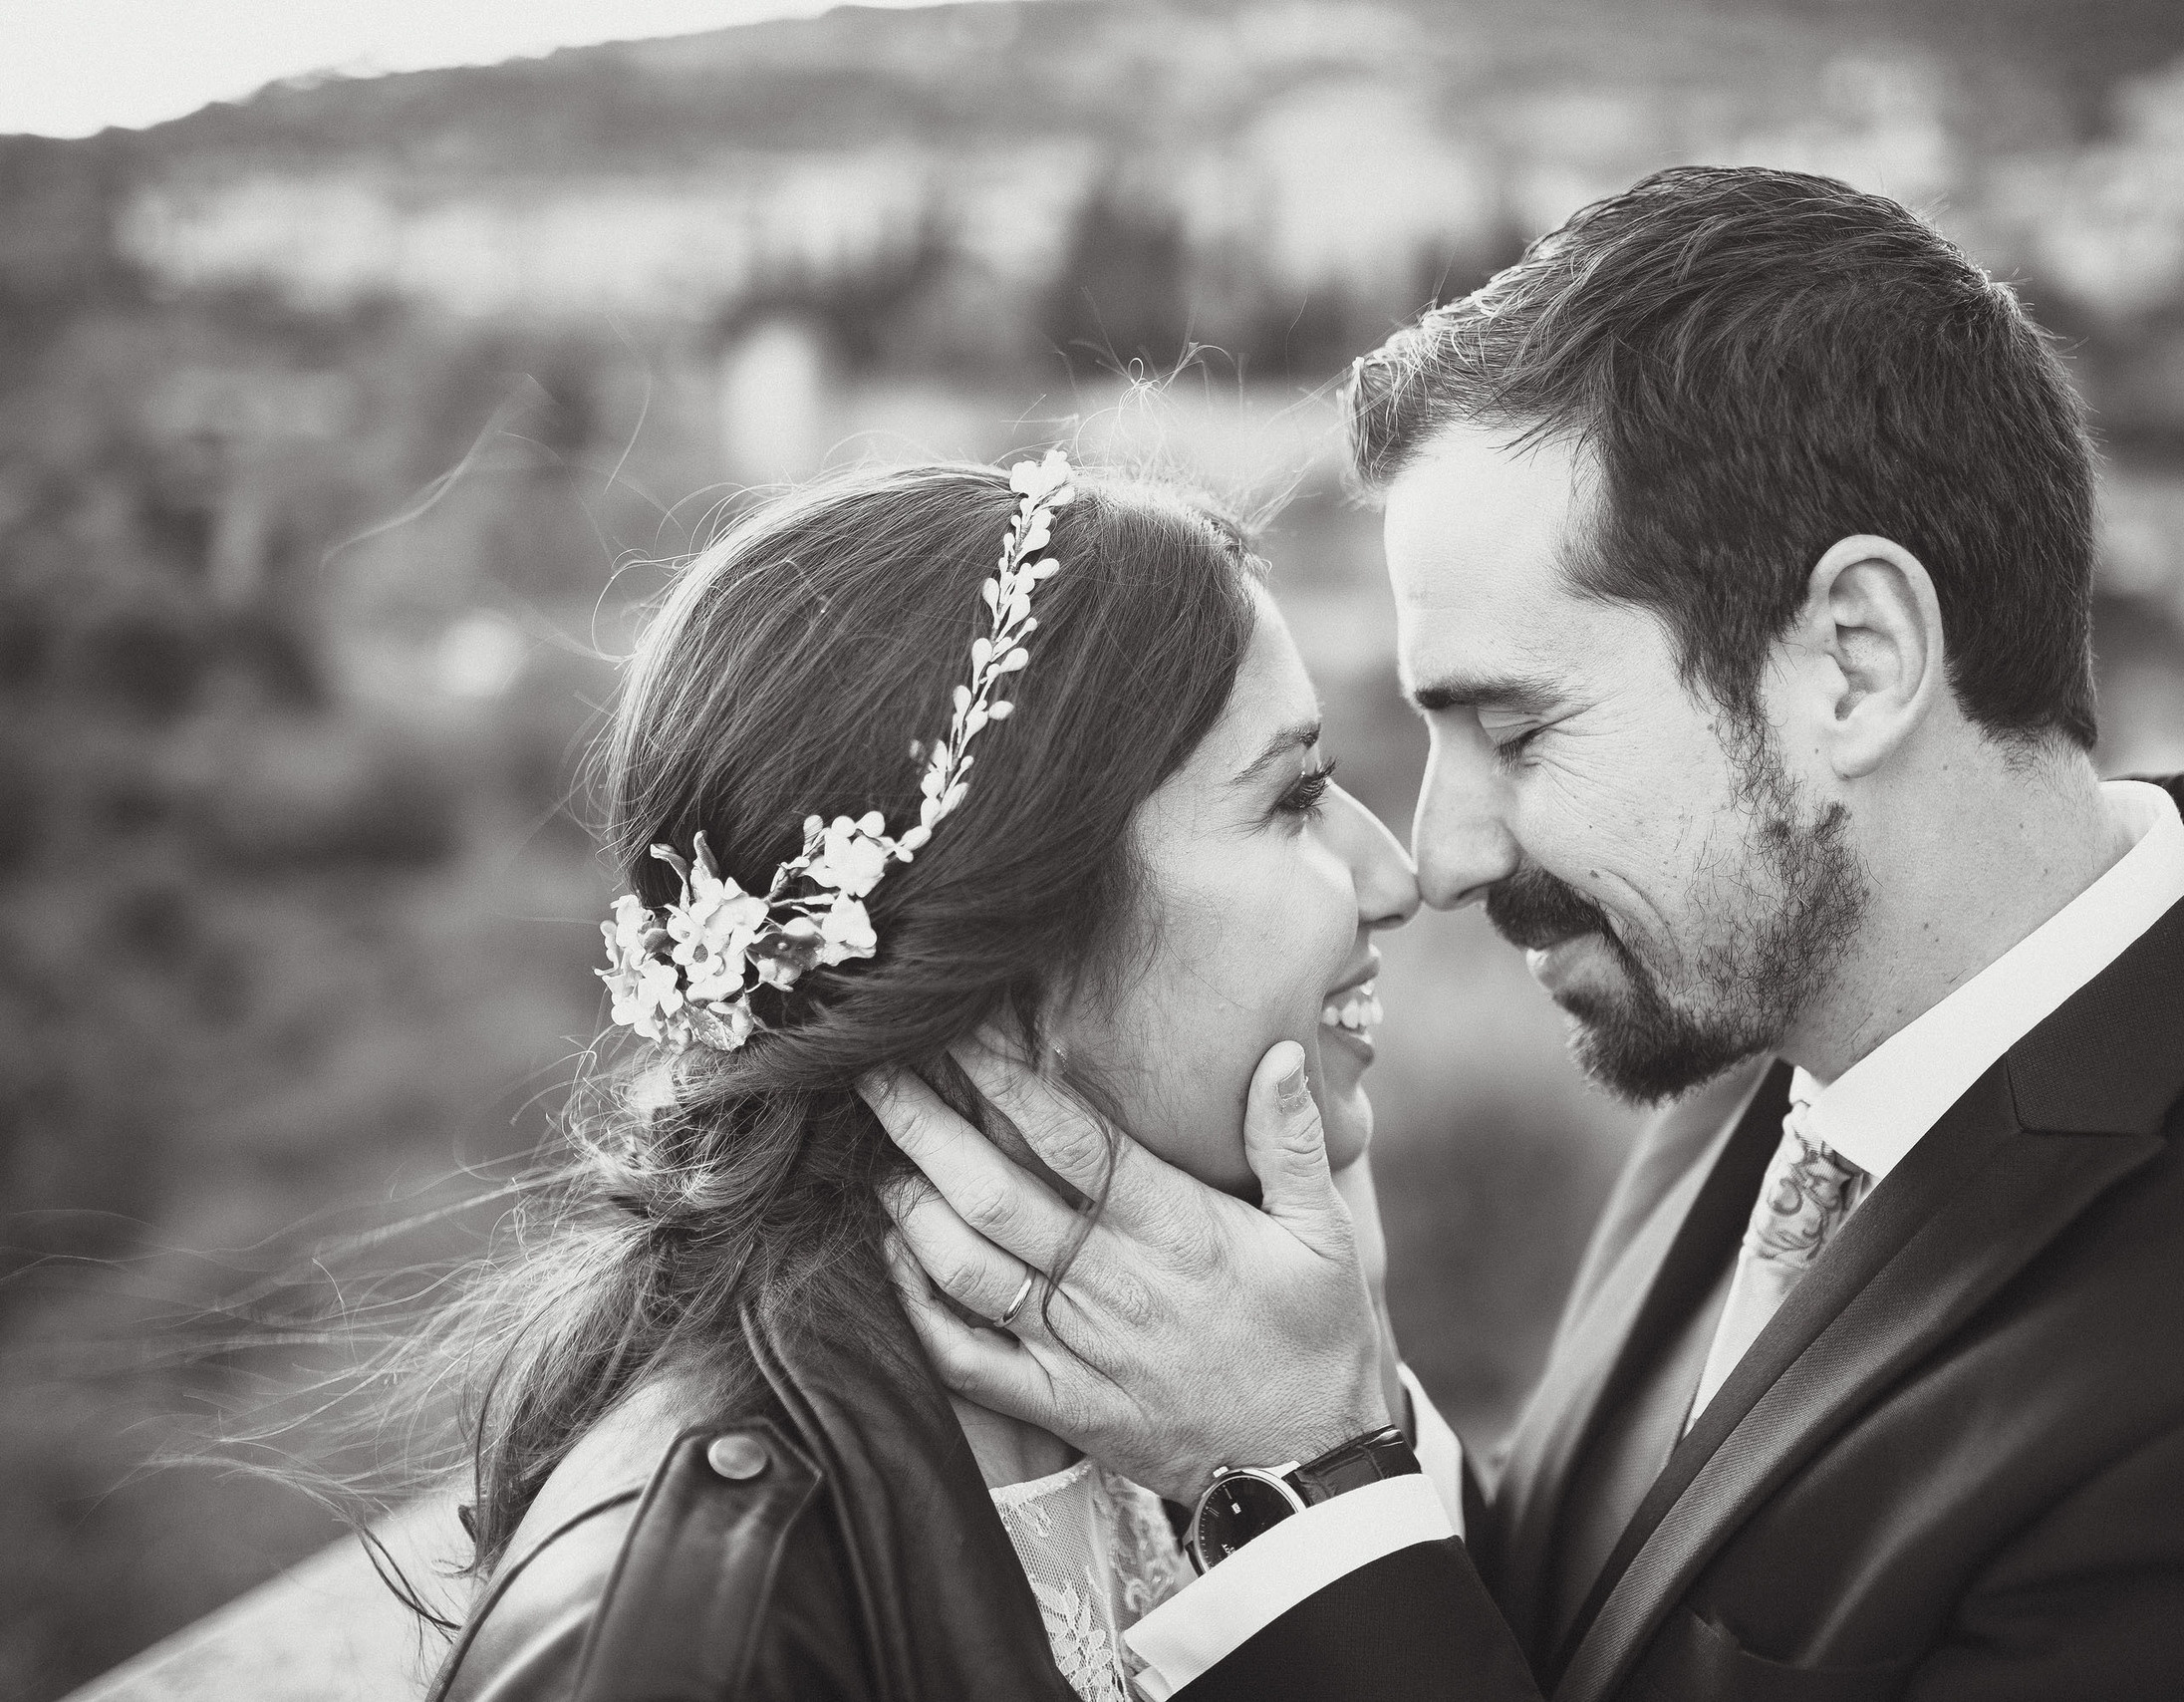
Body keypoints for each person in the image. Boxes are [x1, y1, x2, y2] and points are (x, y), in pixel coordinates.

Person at [872, 168, 2184, 1699]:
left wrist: (1300, 1481)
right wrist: (1337, 1401)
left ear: (1857, 660)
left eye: (1517, 730)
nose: (1442, 854)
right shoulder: (1786, 1017)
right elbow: (1597, 1617)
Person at [420, 451, 1458, 1701]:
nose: (1396, 877)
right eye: (1293, 797)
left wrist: (1336, 1430)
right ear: (1011, 948)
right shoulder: (711, 1637)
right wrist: (1318, 1465)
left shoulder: (1193, 1372)